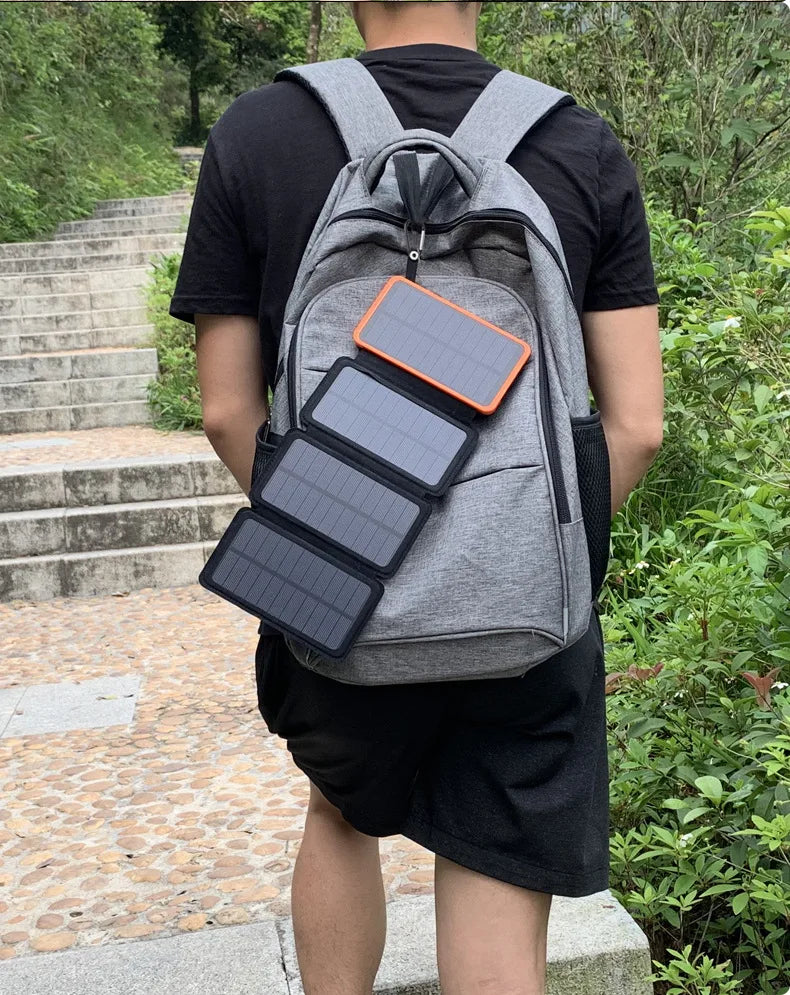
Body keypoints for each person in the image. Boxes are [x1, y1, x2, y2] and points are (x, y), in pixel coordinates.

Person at [169, 2, 664, 993]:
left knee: (338, 810)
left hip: (334, 583)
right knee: (497, 849)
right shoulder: (576, 141)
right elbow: (638, 423)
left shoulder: (257, 133)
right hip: (528, 606)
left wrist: (332, 533)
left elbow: (226, 409)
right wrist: (528, 546)